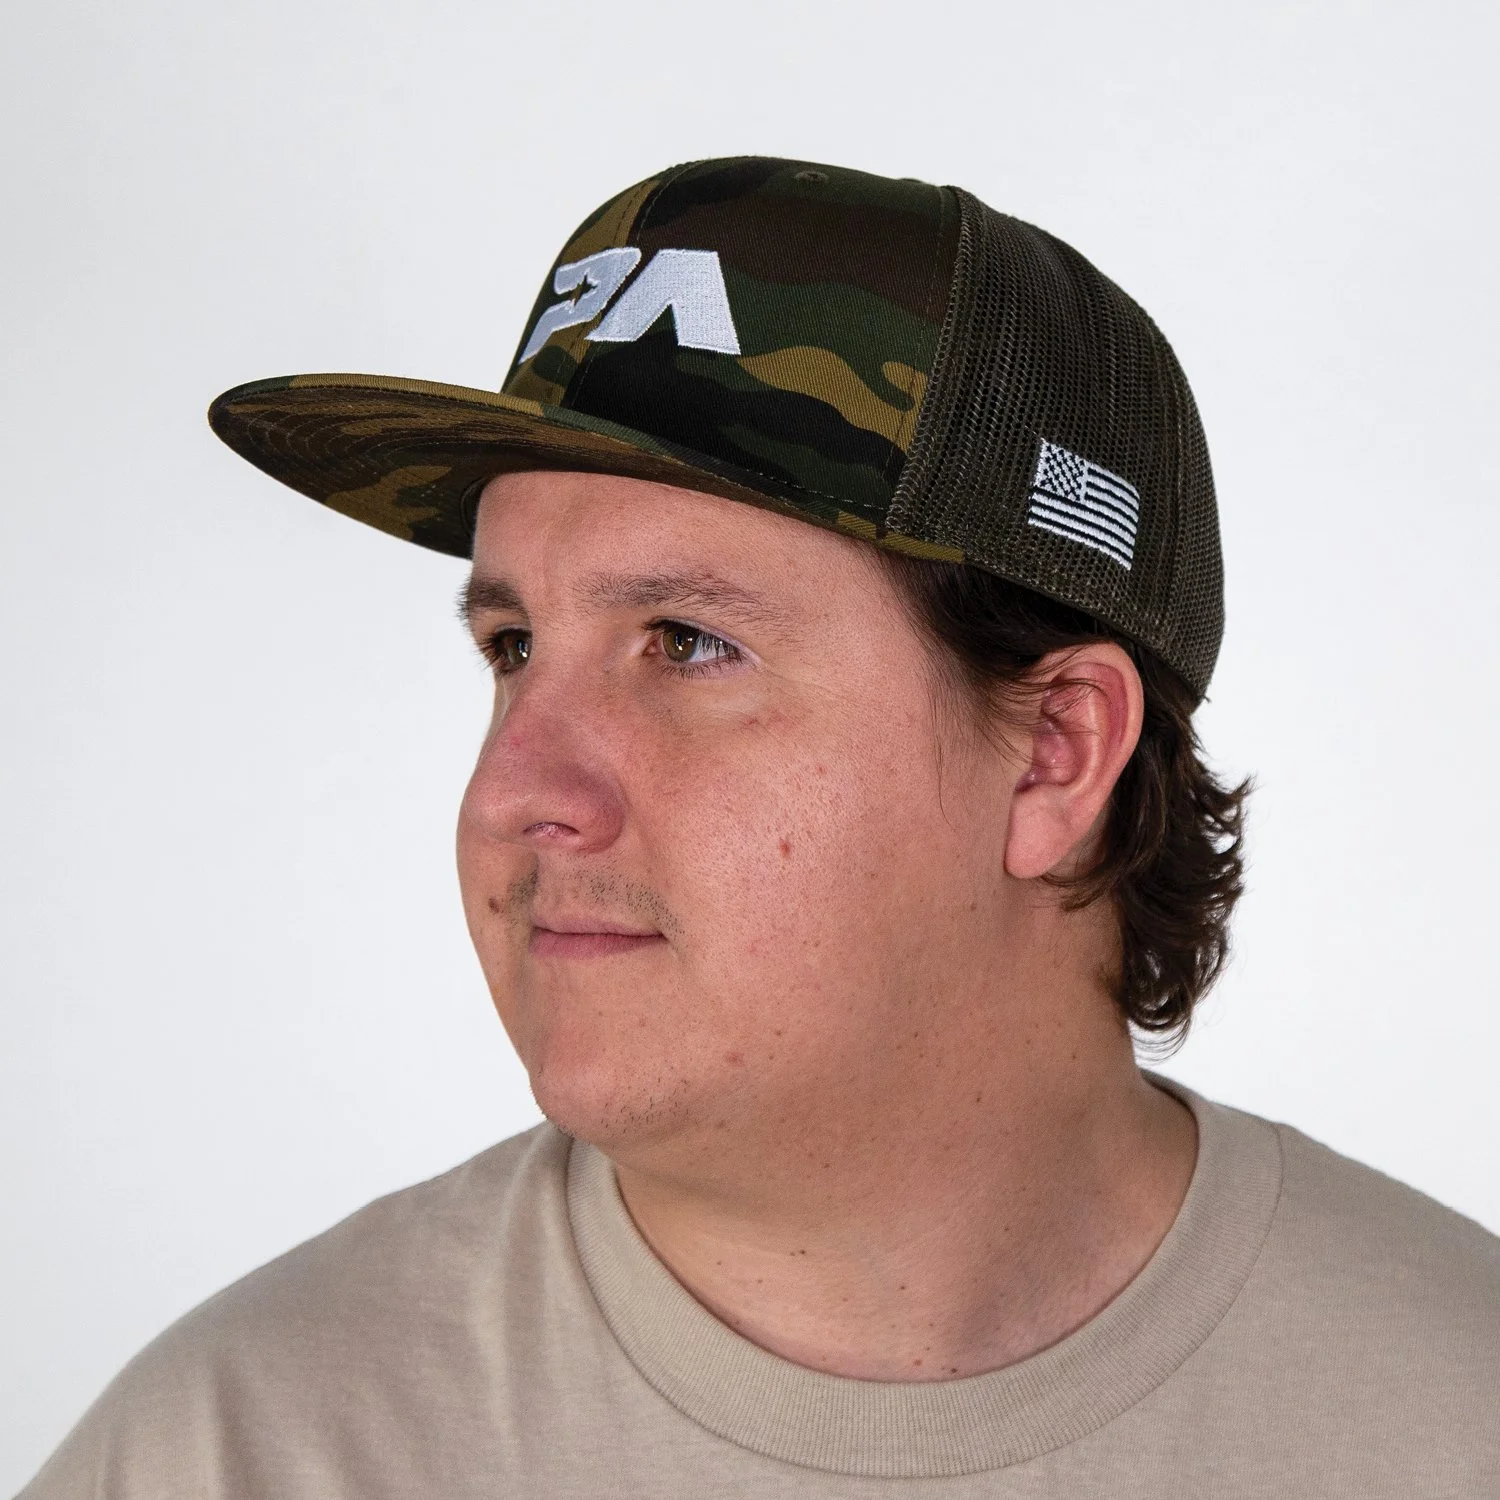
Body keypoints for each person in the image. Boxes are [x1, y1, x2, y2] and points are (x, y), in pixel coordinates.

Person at [21, 156, 1498, 1497]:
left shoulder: (1456, 1424)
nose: (514, 792)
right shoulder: (243, 1453)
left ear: (1056, 751)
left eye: (684, 642)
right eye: (513, 646)